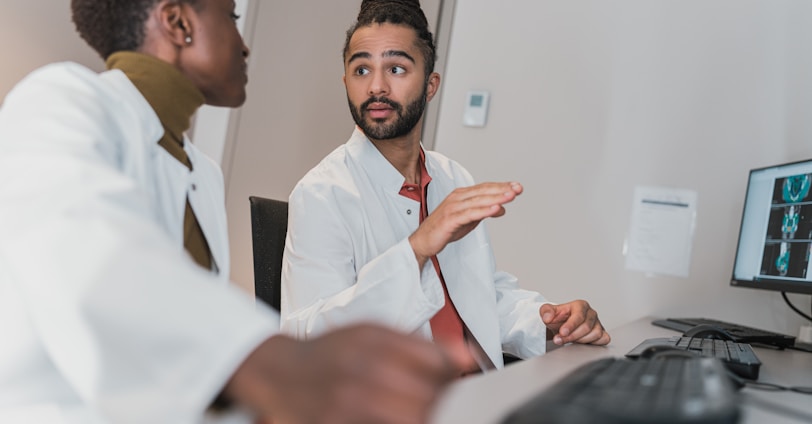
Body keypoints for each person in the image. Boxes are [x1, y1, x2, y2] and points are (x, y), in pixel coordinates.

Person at [0, 0, 471, 423]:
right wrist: (278, 364)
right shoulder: (62, 99)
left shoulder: (201, 172)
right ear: (178, 21)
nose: (244, 47)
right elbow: (88, 250)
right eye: (231, 17)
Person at [280, 0, 611, 373]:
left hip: (478, 394)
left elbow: (479, 293)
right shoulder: (322, 193)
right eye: (361, 69)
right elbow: (306, 340)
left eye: (396, 68)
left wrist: (548, 320)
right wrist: (417, 248)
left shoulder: (453, 177)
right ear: (345, 81)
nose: (376, 86)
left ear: (431, 84)